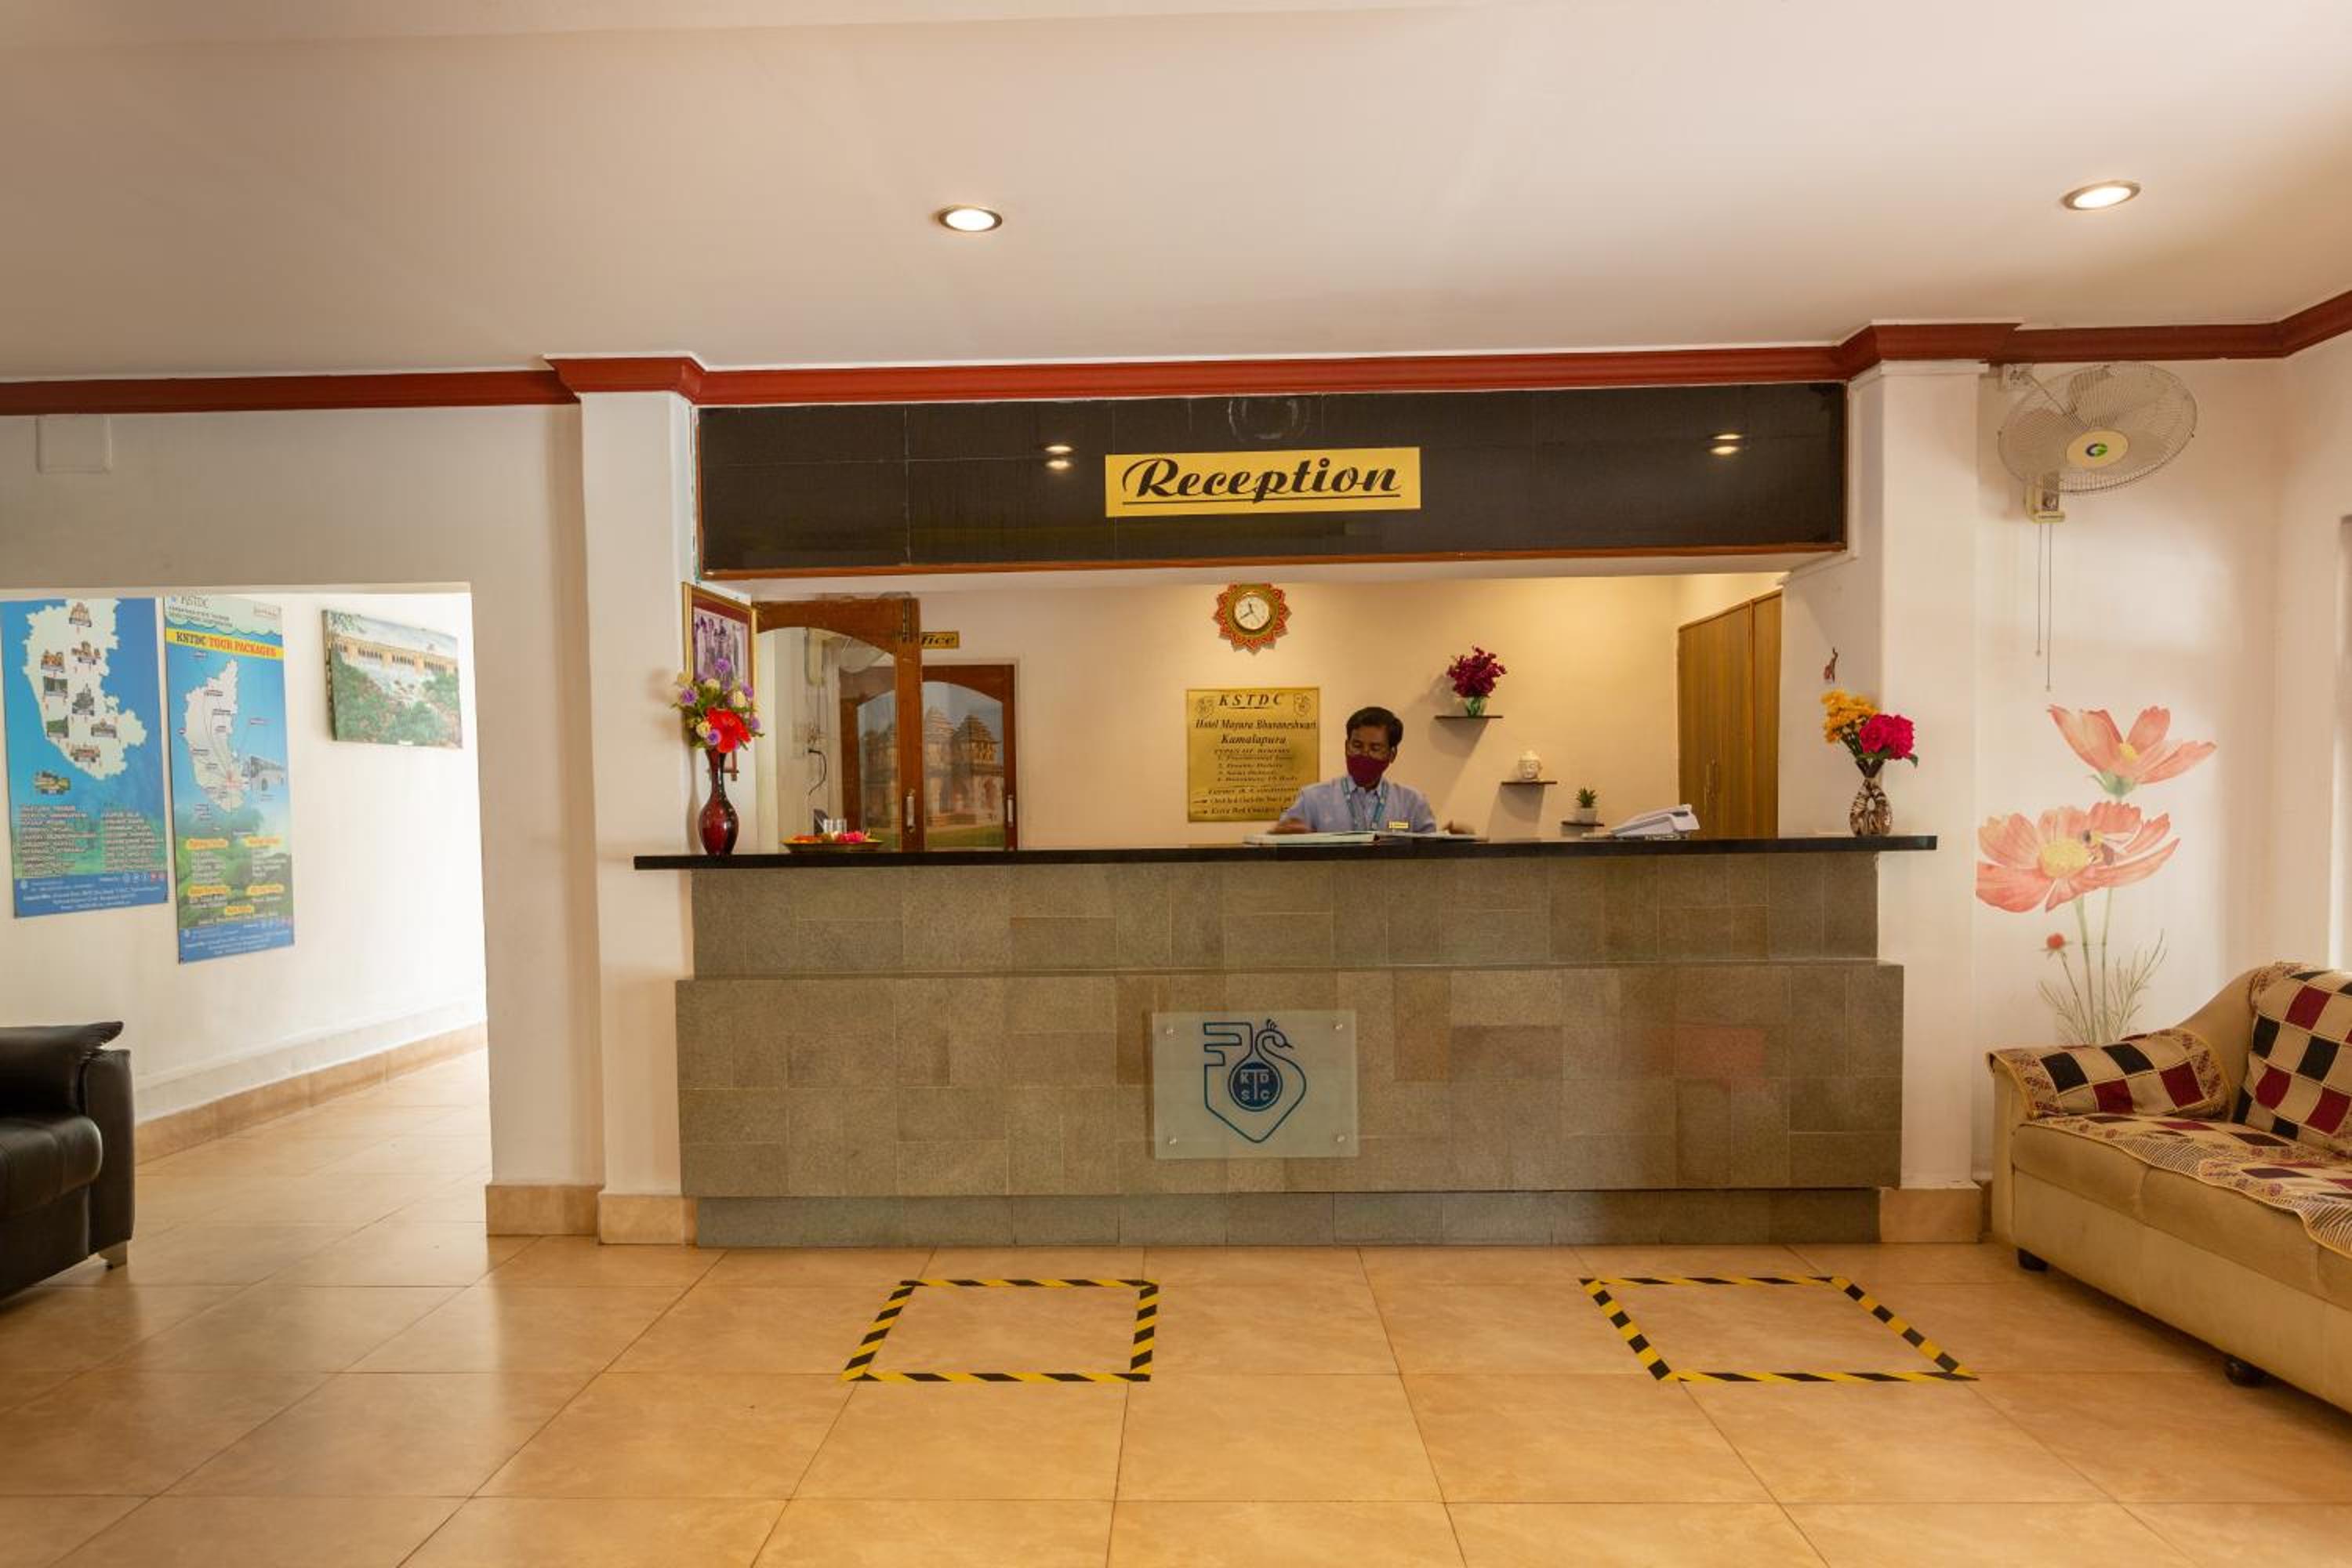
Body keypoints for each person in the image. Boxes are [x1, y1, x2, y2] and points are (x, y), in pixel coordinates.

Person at [1266, 705, 1468, 835]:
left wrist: (1455, 844)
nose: (1364, 754)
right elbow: (1280, 842)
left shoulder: (1412, 803)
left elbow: (1430, 858)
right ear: (1346, 746)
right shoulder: (1312, 799)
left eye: (1375, 748)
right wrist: (1280, 835)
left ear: (1392, 754)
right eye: (1357, 745)